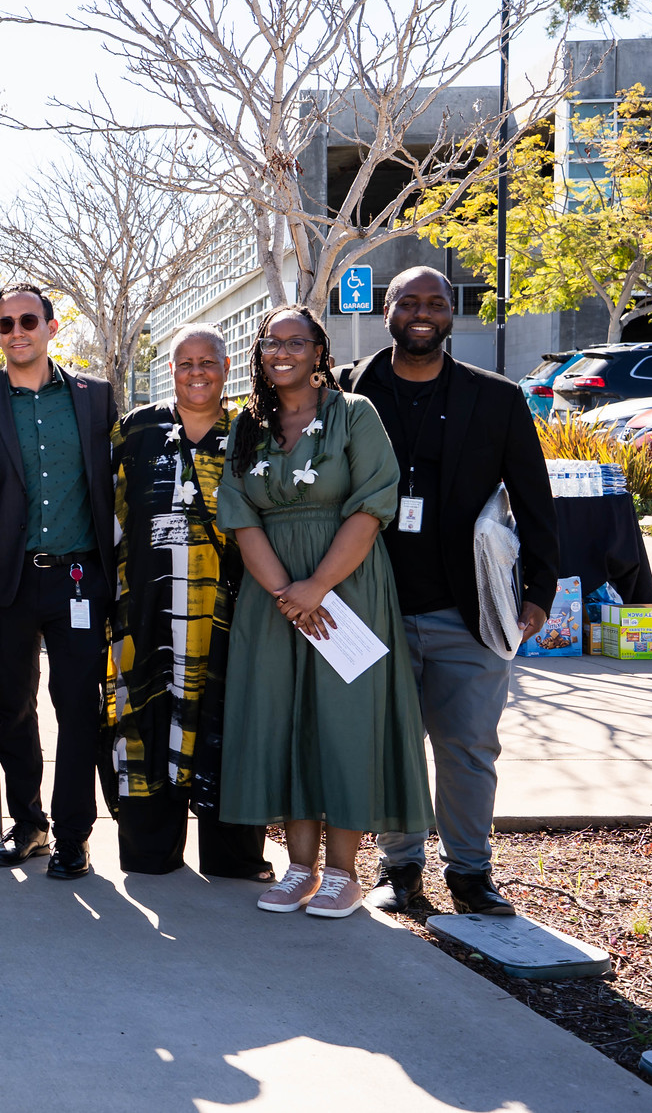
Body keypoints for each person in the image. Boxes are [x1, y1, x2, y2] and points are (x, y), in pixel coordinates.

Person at [339, 267, 559, 916]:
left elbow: (535, 501)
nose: (423, 311)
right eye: (409, 301)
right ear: (388, 310)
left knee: (469, 746)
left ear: (451, 313)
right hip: (372, 608)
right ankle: (400, 869)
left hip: (472, 611)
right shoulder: (352, 387)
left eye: (436, 301)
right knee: (391, 745)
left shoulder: (494, 398)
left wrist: (538, 593)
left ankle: (470, 874)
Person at [217, 305, 433, 918]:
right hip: (274, 598)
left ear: (319, 351)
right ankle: (300, 868)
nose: (282, 352)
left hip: (348, 588)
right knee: (286, 721)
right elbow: (239, 514)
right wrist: (289, 591)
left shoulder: (354, 415)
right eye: (271, 342)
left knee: (344, 722)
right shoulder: (247, 427)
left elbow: (372, 504)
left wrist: (317, 587)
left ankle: (342, 872)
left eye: (296, 341)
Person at [0, 284, 119, 882]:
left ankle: (74, 835)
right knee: (15, 709)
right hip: (6, 582)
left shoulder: (96, 398)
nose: (17, 331)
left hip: (81, 578)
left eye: (29, 320)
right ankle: (28, 825)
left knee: (79, 709)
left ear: (52, 327)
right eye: (5, 324)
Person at [105, 326, 272, 880]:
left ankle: (233, 856)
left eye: (207, 362)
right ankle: (151, 849)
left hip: (232, 613)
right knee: (147, 719)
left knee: (231, 721)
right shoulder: (137, 429)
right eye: (184, 363)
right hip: (146, 610)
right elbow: (110, 515)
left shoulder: (253, 431)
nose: (196, 372)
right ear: (170, 370)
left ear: (227, 368)